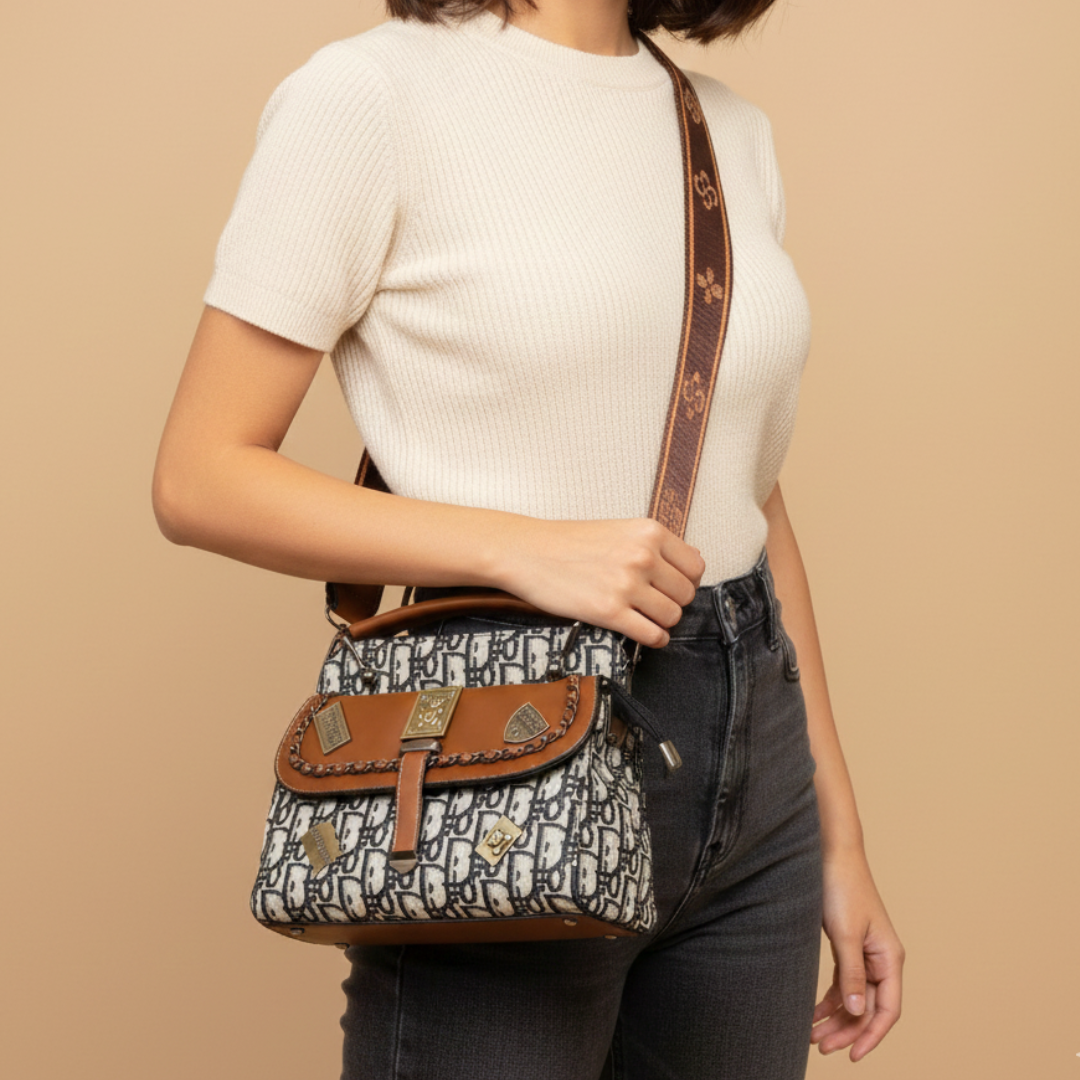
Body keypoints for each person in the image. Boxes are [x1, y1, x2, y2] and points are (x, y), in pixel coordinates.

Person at [152, 1, 905, 1076]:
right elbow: (197, 475)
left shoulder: (724, 128)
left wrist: (839, 838)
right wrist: (523, 549)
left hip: (755, 781)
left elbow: (752, 495)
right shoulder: (371, 97)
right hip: (508, 748)